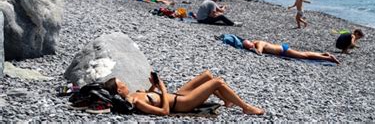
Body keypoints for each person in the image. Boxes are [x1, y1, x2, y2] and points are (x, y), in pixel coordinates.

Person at [103, 70, 264, 115]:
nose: (125, 84)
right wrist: (163, 89)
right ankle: (245, 107)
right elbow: (164, 111)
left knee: (207, 75)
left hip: (178, 95)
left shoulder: (135, 94)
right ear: (119, 90)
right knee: (217, 82)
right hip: (181, 104)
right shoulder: (134, 102)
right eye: (122, 84)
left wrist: (154, 86)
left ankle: (228, 100)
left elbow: (152, 97)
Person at [241, 38, 340, 64]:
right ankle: (323, 54)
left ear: (251, 42)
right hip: (282, 50)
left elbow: (259, 52)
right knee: (304, 54)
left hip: (283, 51)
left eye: (248, 45)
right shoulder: (256, 43)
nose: (248, 47)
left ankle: (328, 58)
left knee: (305, 56)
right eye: (247, 47)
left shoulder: (259, 43)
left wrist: (253, 50)